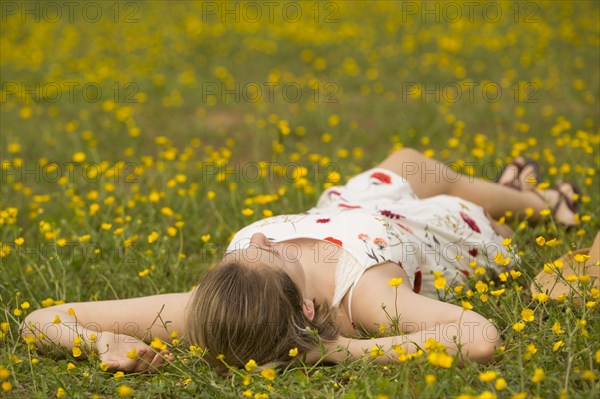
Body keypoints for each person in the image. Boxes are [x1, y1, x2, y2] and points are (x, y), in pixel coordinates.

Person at [21, 148, 582, 372]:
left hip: (350, 208)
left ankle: (523, 193)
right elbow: (480, 338)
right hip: (429, 235)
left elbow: (38, 320)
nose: (257, 244)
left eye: (237, 255)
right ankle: (543, 202)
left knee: (409, 160)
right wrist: (342, 353)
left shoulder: (214, 305)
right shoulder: (362, 296)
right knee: (464, 205)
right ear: (310, 307)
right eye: (270, 258)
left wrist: (97, 342)